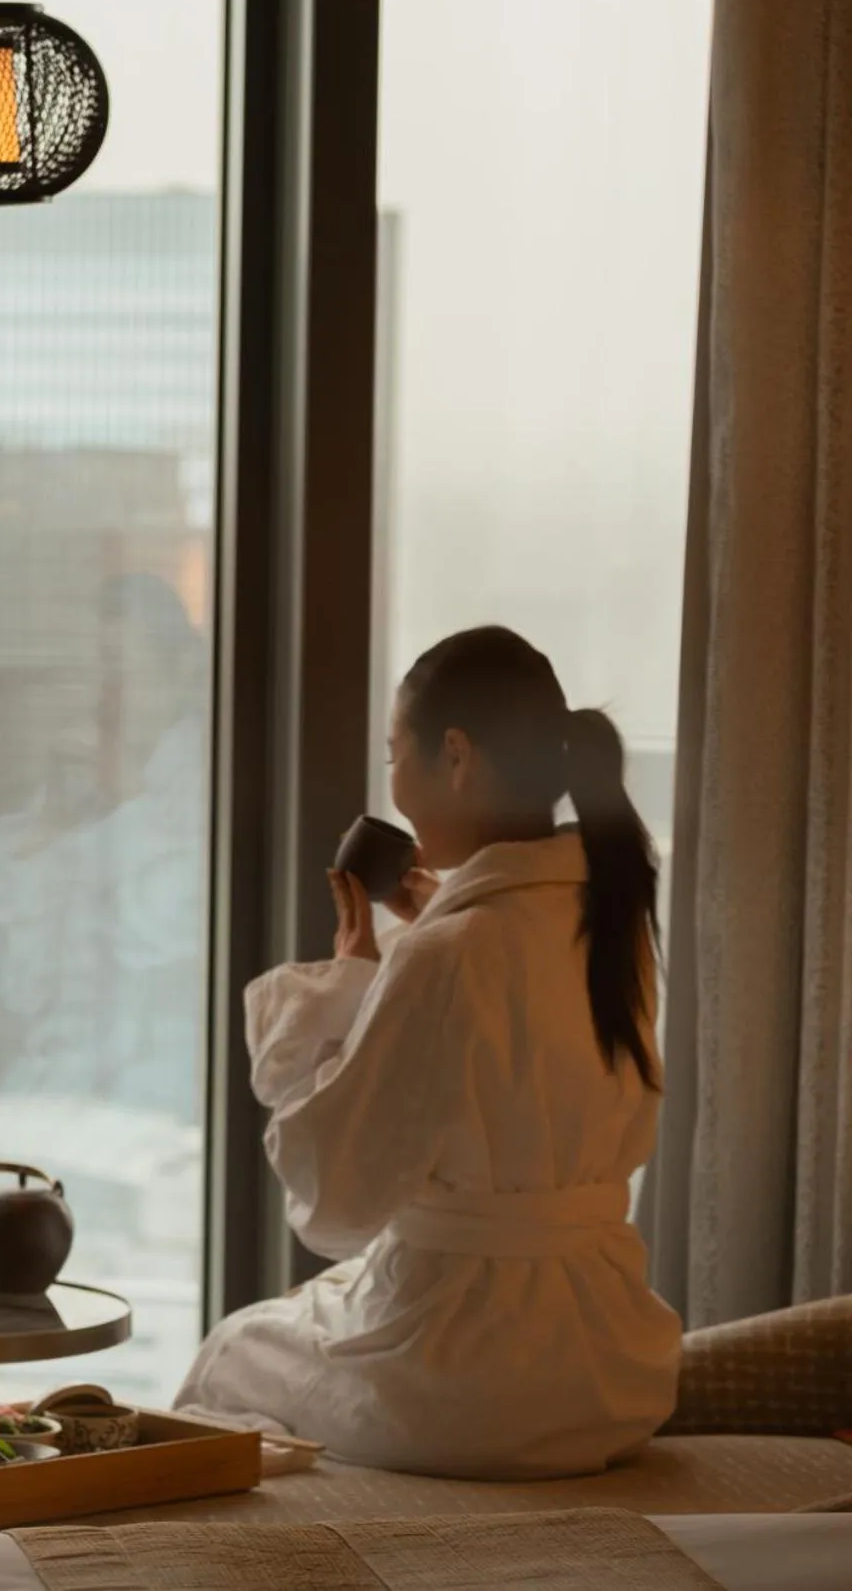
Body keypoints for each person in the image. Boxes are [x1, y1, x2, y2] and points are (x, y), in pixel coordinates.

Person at [175, 626, 682, 1479]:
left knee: (235, 1350)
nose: (395, 790)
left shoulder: (448, 952)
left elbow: (338, 1198)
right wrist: (428, 929)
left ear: (454, 755)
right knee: (298, 1322)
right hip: (608, 1367)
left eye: (393, 758)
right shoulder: (609, 919)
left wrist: (349, 981)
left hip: (474, 1377)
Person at [0, 573, 206, 1119]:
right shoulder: (75, 795)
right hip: (58, 1082)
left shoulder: (207, 788)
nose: (103, 692)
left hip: (166, 1091)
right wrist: (49, 828)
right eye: (92, 671)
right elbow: (18, 987)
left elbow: (177, 942)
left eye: (122, 670)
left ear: (177, 673)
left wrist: (128, 798)